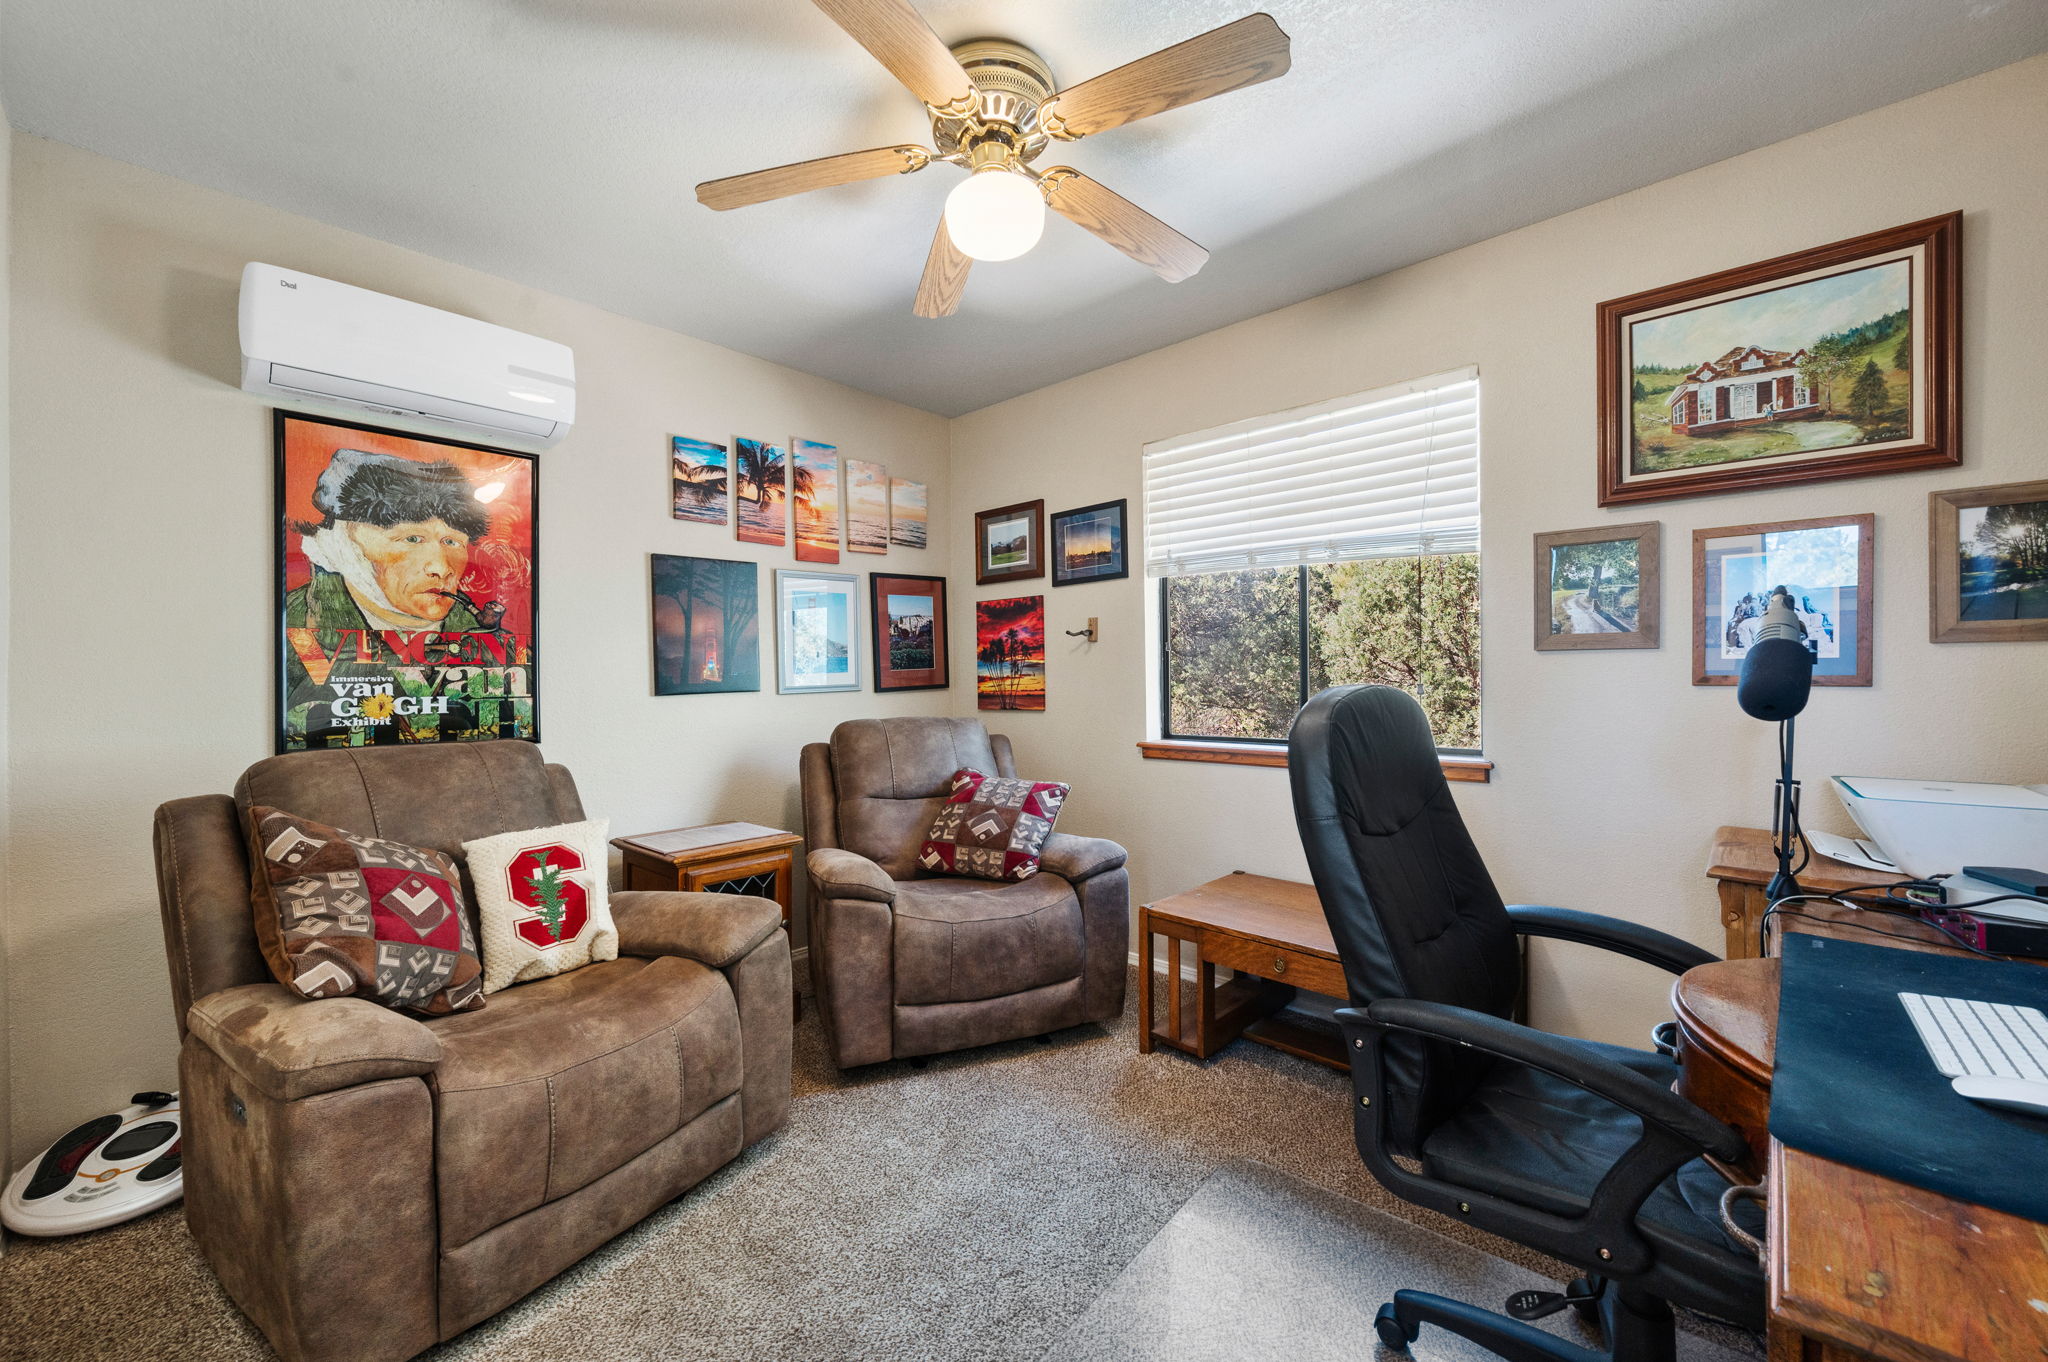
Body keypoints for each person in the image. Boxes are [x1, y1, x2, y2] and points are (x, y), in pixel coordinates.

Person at [282, 448, 507, 744]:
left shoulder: (487, 635)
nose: (441, 567)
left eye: (452, 541)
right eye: (412, 538)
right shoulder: (295, 624)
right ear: (348, 542)